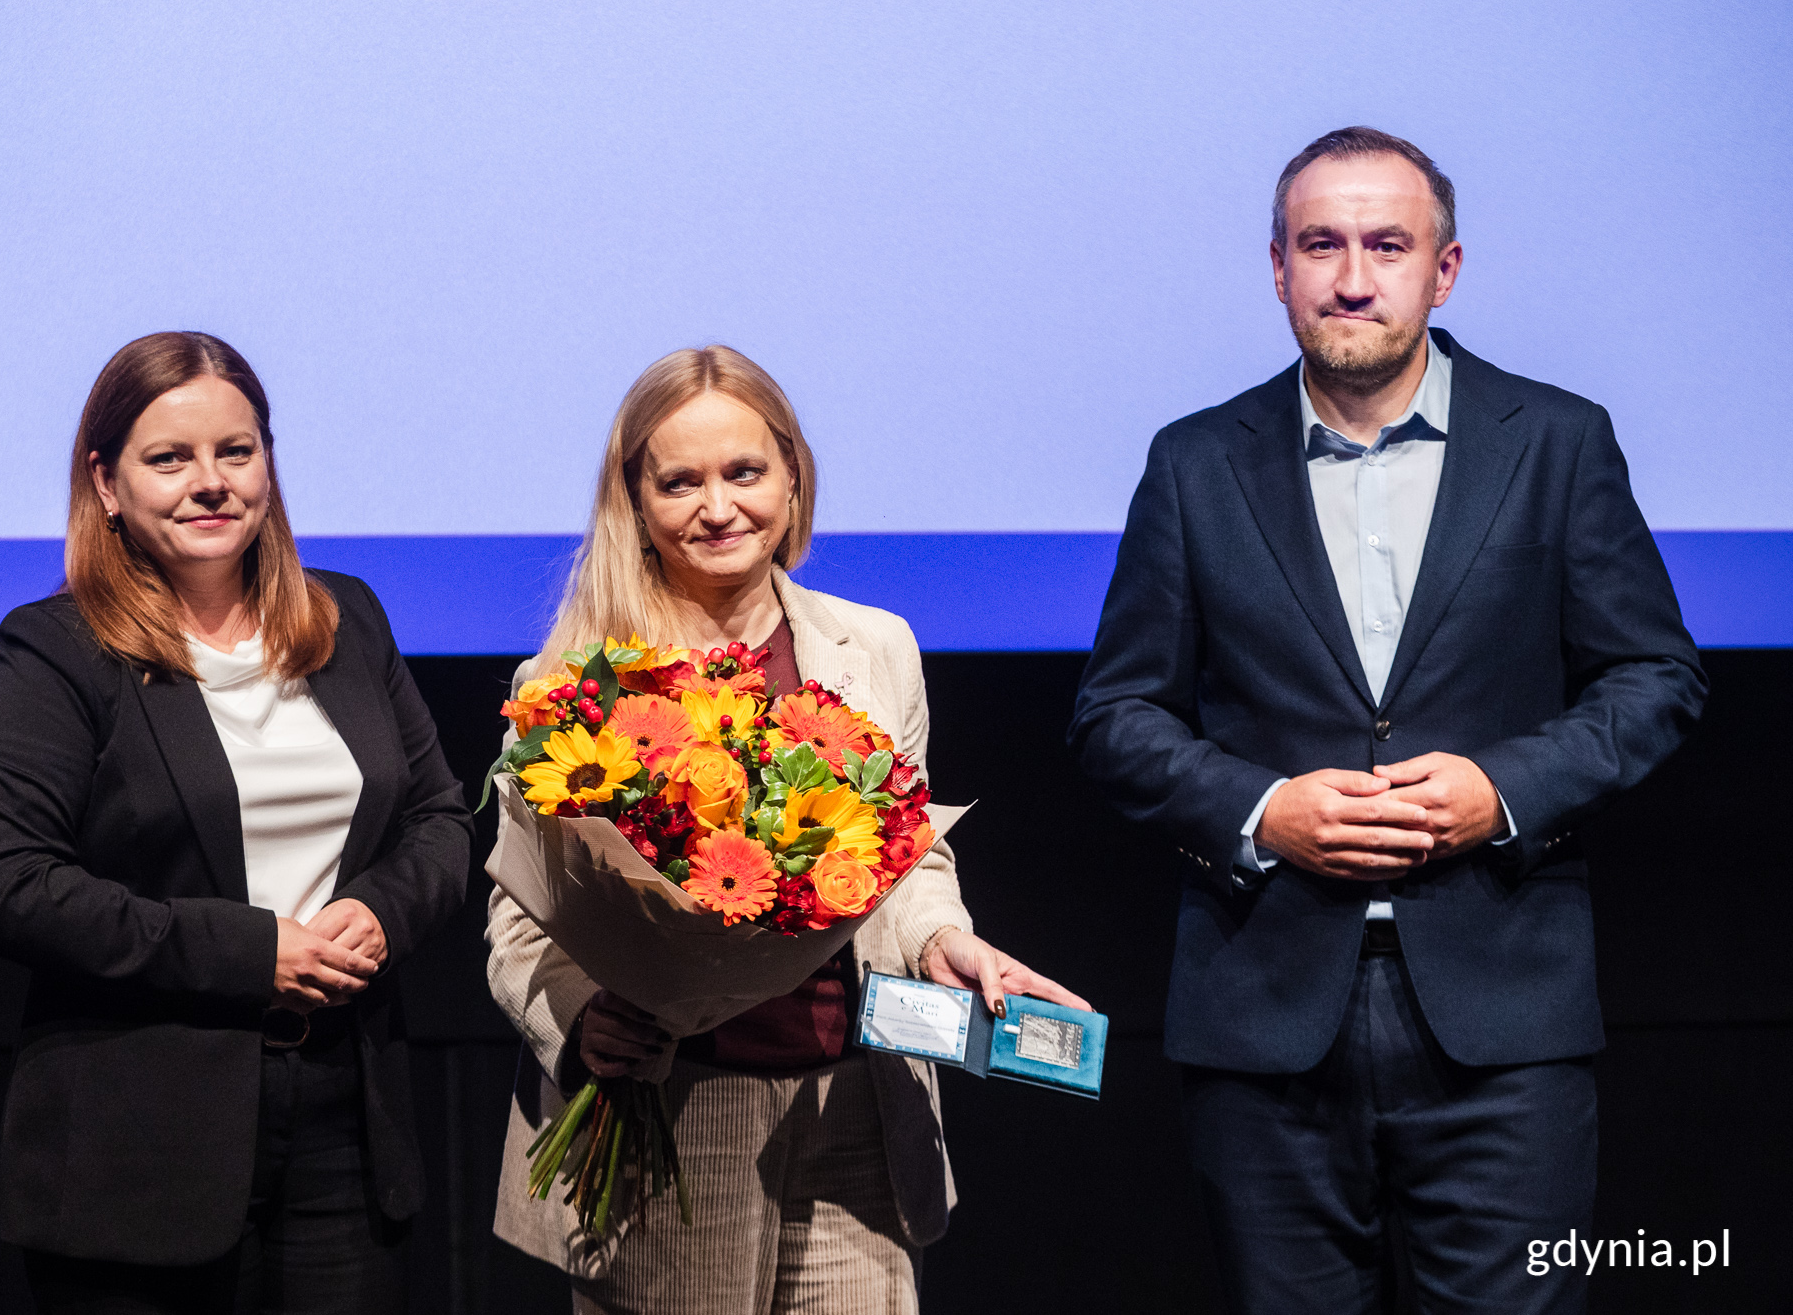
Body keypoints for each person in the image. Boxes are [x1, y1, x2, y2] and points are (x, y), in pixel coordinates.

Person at [1069, 127, 1707, 1313]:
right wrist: (1262, 808)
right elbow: (1115, 712)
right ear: (1276, 269)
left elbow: (1652, 677)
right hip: (1264, 1013)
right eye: (1319, 245)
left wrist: (1499, 791)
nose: (1351, 278)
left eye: (1386, 246)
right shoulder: (1195, 462)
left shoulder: (1555, 441)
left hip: (1503, 1018)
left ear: (1442, 269)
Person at [486, 345, 1088, 1313]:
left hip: (857, 1102)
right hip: (674, 1111)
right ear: (634, 499)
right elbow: (521, 919)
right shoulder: (576, 679)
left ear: (793, 479)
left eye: (744, 472)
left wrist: (942, 938)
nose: (717, 507)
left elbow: (908, 857)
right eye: (679, 482)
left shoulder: (875, 646)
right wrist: (582, 1019)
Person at [0, 332, 472, 1313]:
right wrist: (253, 951)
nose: (211, 482)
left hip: (345, 1125)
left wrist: (381, 912)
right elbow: (6, 884)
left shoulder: (348, 619)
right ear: (106, 483)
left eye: (236, 451)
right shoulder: (58, 650)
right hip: (142, 1142)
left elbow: (439, 819)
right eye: (169, 458)